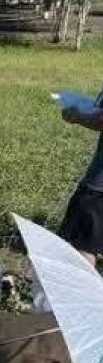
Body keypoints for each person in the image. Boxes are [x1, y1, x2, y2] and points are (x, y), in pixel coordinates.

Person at [59, 91, 103, 266]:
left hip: (99, 188)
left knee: (82, 247)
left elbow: (100, 120)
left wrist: (76, 116)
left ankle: (82, 292)